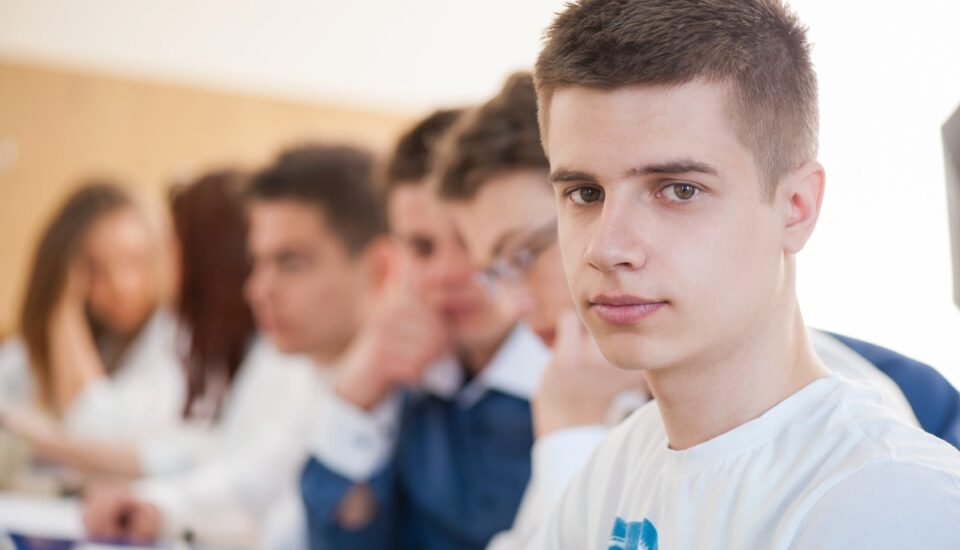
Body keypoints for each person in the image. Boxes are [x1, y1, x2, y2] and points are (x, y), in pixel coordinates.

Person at [435, 71, 958, 549]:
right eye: (584, 193)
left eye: (680, 190)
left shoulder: (890, 493)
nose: (605, 247)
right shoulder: (623, 455)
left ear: (795, 207)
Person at [81, 146, 389, 546]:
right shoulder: (308, 368)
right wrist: (156, 506)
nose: (258, 289)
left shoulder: (398, 392)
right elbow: (254, 482)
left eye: (291, 263)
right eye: (257, 262)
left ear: (379, 269)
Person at [298, 110, 550, 550]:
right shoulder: (414, 379)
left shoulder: (586, 382)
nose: (448, 274)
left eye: (470, 241)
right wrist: (357, 391)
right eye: (421, 247)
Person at [0, 182, 182, 440]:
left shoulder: (173, 335)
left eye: (134, 260)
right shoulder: (44, 346)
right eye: (95, 269)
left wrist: (63, 313)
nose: (120, 285)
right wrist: (61, 306)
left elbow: (92, 426)